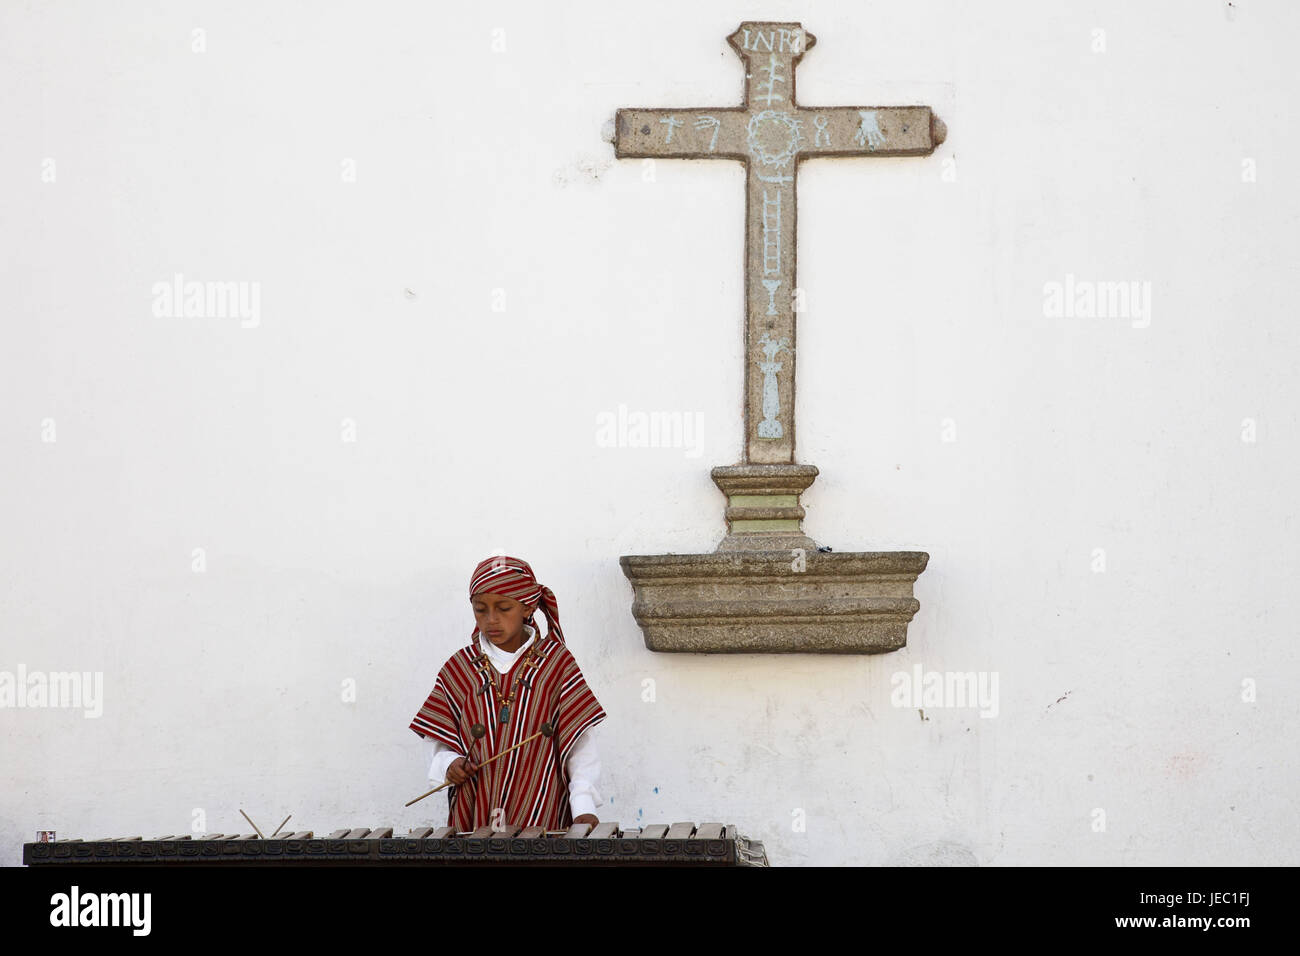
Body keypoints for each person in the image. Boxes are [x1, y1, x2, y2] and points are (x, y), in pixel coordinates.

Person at [409, 555, 606, 831]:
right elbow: (437, 739)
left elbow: (580, 744)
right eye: (480, 610)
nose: (491, 620)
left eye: (503, 608)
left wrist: (583, 806)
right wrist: (448, 764)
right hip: (475, 813)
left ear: (527, 608)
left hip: (543, 812)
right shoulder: (459, 669)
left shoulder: (557, 665)